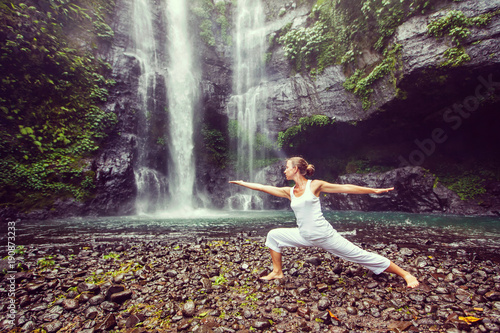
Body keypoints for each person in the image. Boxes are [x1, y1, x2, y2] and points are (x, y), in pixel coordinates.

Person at [229, 157, 419, 288]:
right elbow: (264, 187)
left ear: (295, 169)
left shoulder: (316, 185)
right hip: (304, 235)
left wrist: (373, 190)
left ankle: (405, 274)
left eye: (287, 167)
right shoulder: (290, 191)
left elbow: (345, 188)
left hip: (324, 235)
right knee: (273, 236)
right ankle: (277, 272)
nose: (284, 170)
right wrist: (243, 183)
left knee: (360, 256)